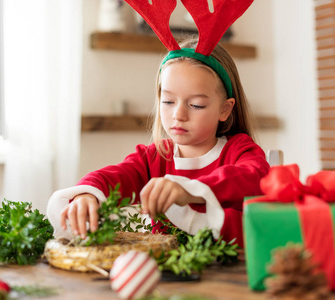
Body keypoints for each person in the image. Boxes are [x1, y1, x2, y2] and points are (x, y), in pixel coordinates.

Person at [47, 37, 270, 248]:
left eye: (196, 105)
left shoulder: (238, 149)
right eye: (168, 101)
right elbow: (115, 175)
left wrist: (189, 190)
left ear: (225, 109)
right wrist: (87, 195)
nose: (178, 114)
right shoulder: (155, 157)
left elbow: (256, 176)